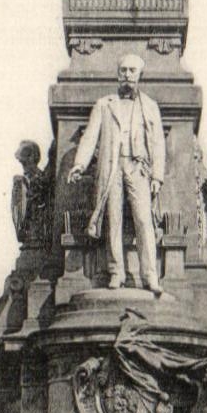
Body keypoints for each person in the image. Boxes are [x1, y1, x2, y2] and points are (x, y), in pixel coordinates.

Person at [68, 53, 165, 294]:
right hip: (111, 166)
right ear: (117, 74)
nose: (127, 75)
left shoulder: (150, 105)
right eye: (123, 70)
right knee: (113, 220)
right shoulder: (104, 104)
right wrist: (79, 164)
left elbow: (158, 144)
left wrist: (157, 177)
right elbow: (90, 136)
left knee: (144, 220)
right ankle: (116, 271)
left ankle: (149, 275)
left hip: (139, 167)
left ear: (140, 75)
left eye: (132, 70)